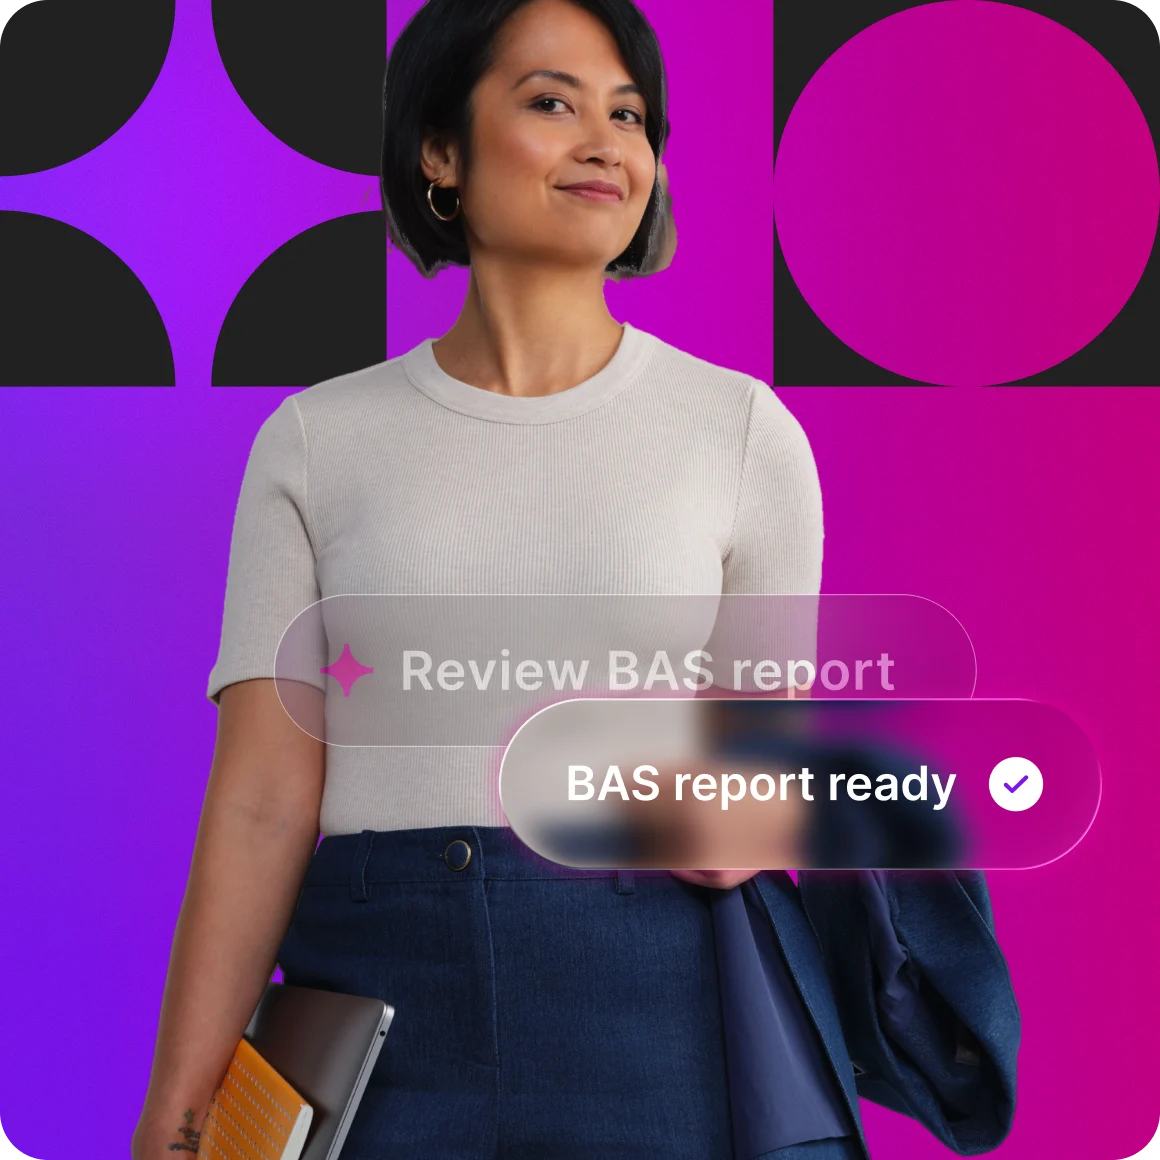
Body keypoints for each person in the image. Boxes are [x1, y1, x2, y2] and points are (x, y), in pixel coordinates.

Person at [131, 2, 1019, 1157]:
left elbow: (754, 759)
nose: (607, 142)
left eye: (631, 116)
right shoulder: (314, 442)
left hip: (661, 1021)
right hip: (381, 1024)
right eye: (551, 101)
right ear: (439, 151)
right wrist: (178, 1117)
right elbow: (260, 803)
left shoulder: (739, 432)